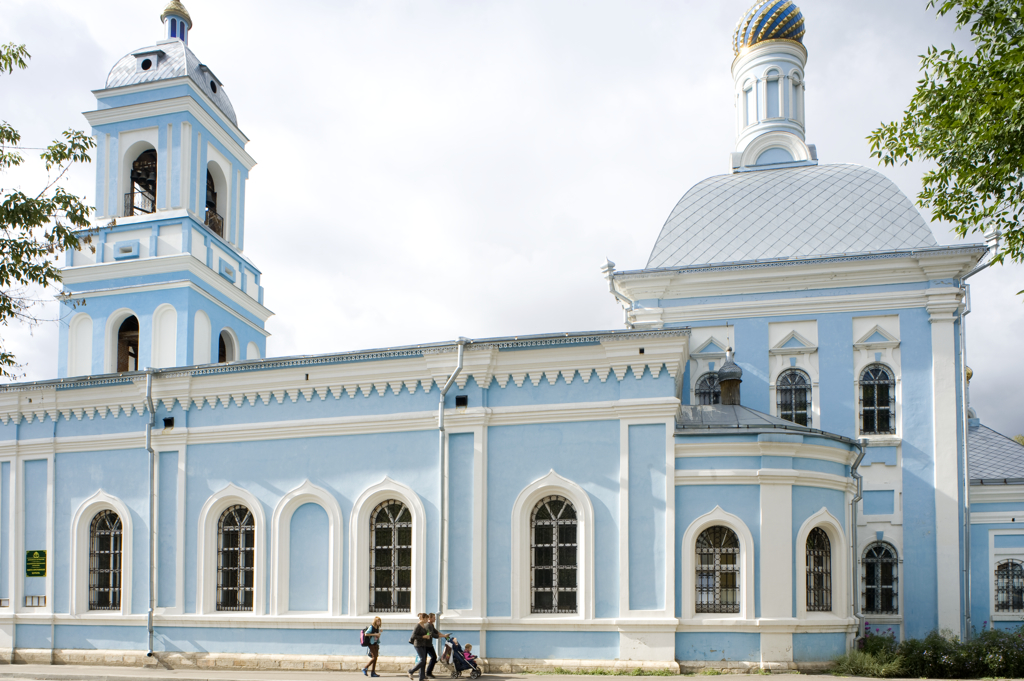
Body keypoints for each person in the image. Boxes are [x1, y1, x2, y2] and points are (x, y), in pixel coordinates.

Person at [408, 613, 433, 681]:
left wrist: (427, 636)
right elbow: (413, 636)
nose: (427, 620)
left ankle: (422, 677)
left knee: (424, 661)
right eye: (426, 618)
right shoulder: (417, 626)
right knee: (422, 660)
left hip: (423, 644)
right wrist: (423, 637)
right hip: (418, 645)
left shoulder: (423, 625)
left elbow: (424, 634)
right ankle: (411, 671)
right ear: (422, 618)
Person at [425, 613, 450, 679]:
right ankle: (427, 673)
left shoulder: (431, 625)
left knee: (433, 657)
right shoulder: (427, 625)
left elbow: (436, 632)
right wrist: (443, 636)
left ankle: (428, 672)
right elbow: (433, 635)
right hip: (425, 645)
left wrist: (444, 635)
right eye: (434, 617)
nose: (435, 619)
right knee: (429, 658)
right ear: (429, 618)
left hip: (429, 644)